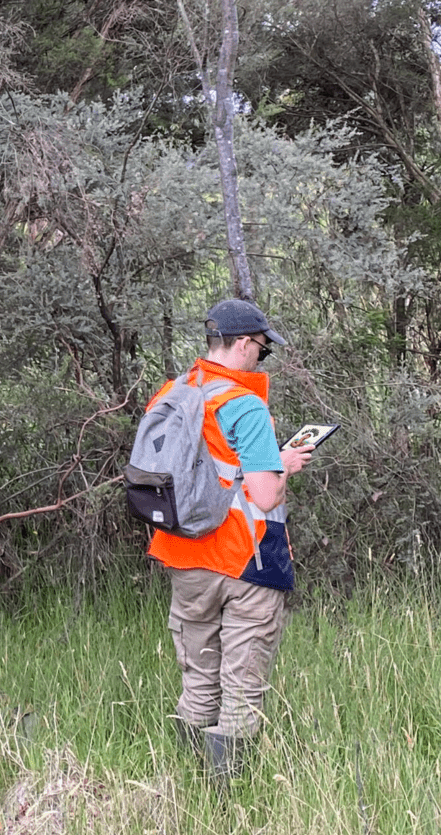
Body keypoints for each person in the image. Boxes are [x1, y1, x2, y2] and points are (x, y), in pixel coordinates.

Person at [145, 298, 314, 784]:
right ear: (243, 344)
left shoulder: (172, 394)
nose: (262, 359)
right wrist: (283, 465)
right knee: (241, 691)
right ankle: (226, 804)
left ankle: (182, 790)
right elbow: (262, 492)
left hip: (184, 557)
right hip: (246, 560)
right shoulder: (245, 405)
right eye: (262, 350)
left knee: (198, 683)